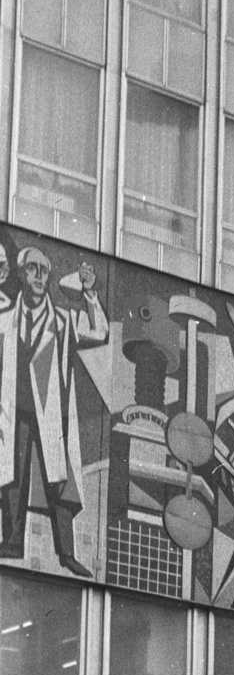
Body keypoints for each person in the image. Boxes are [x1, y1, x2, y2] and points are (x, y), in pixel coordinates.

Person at [0, 242, 109, 575]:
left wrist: (90, 294)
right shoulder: (5, 317)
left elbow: (100, 331)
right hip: (13, 410)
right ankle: (12, 541)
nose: (38, 277)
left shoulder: (63, 320)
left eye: (44, 271)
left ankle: (67, 553)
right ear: (21, 273)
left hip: (51, 415)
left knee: (58, 482)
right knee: (12, 477)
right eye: (32, 269)